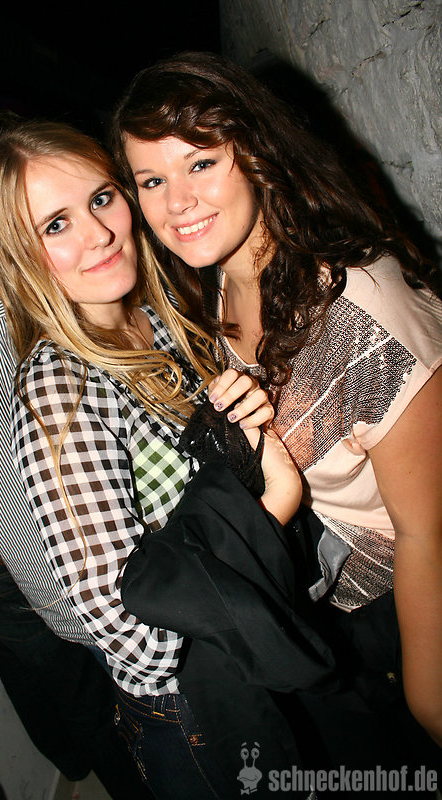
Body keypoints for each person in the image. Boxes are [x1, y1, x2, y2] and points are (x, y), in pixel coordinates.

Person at [110, 50, 442, 781]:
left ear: (258, 153)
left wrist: (428, 704)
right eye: (152, 180)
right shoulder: (216, 284)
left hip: (402, 608)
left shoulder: (360, 310)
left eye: (201, 163)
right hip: (323, 604)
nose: (177, 202)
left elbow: (428, 533)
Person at [0, 119, 304, 799]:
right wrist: (267, 508)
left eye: (101, 199)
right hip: (196, 707)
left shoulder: (154, 316)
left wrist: (240, 424)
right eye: (56, 224)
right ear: (19, 254)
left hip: (244, 646)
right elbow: (137, 641)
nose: (98, 233)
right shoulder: (59, 390)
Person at [0, 100, 152, 798]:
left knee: (68, 700)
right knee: (129, 700)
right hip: (109, 565)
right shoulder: (76, 271)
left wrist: (11, 529)